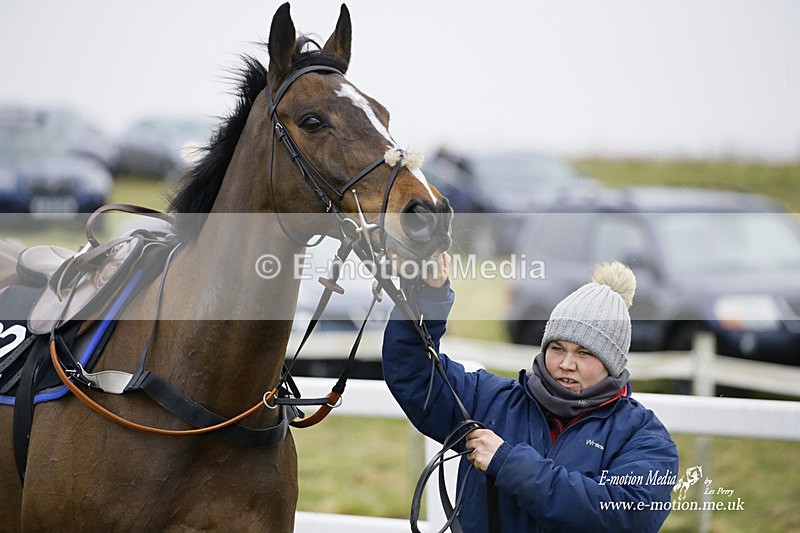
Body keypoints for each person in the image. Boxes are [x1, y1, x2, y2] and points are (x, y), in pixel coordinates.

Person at [382, 254, 679, 532]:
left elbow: (625, 514)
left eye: (584, 353)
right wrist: (427, 296)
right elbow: (414, 374)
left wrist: (508, 463)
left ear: (611, 362)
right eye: (557, 348)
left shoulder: (645, 437)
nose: (566, 364)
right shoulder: (491, 400)